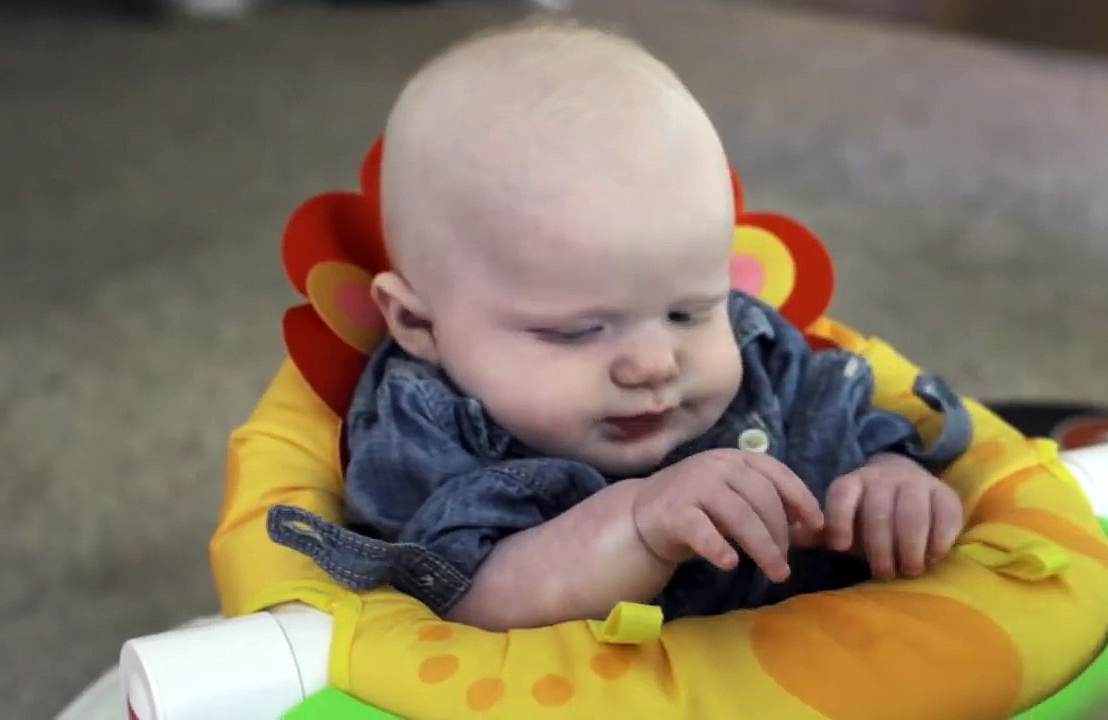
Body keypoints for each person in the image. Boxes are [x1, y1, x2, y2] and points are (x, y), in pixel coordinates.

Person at [266, 17, 973, 632]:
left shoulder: (754, 345)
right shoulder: (423, 423)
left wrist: (887, 480)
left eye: (689, 311)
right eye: (576, 332)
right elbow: (463, 605)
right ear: (420, 324)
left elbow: (841, 416)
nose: (654, 364)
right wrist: (637, 525)